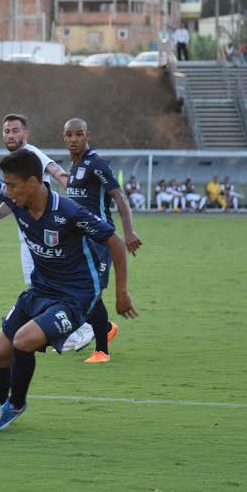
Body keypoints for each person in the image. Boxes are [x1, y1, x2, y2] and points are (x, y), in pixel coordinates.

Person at [0, 141, 135, 430]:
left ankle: (16, 403)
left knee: (23, 341)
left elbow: (115, 242)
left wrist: (121, 294)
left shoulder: (69, 212)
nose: (7, 192)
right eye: (7, 186)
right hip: (39, 291)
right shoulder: (16, 200)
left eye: (12, 186)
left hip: (75, 298)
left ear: (33, 182)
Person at [62, 118, 142, 363]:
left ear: (88, 135)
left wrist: (128, 232)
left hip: (100, 241)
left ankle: (102, 351)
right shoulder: (74, 166)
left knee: (92, 295)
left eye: (78, 134)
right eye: (69, 135)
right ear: (64, 137)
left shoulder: (96, 164)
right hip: (78, 242)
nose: (73, 139)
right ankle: (104, 327)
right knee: (70, 293)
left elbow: (120, 197)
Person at [0, 114, 69, 286]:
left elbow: (54, 168)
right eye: (7, 131)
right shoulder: (13, 161)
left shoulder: (31, 153)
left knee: (49, 291)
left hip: (44, 239)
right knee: (35, 291)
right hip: (27, 240)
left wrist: (69, 184)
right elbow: (13, 201)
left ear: (25, 134)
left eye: (15, 131)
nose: (10, 135)